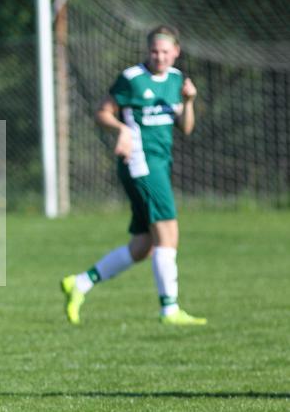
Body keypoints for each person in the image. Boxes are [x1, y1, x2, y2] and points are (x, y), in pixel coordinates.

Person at [61, 25, 206, 326]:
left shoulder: (177, 80)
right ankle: (170, 309)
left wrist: (190, 101)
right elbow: (102, 112)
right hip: (140, 163)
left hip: (159, 163)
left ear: (176, 52)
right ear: (147, 50)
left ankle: (80, 283)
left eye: (166, 51)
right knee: (168, 234)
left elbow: (186, 127)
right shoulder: (132, 79)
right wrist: (122, 129)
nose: (160, 57)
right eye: (154, 51)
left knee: (143, 246)